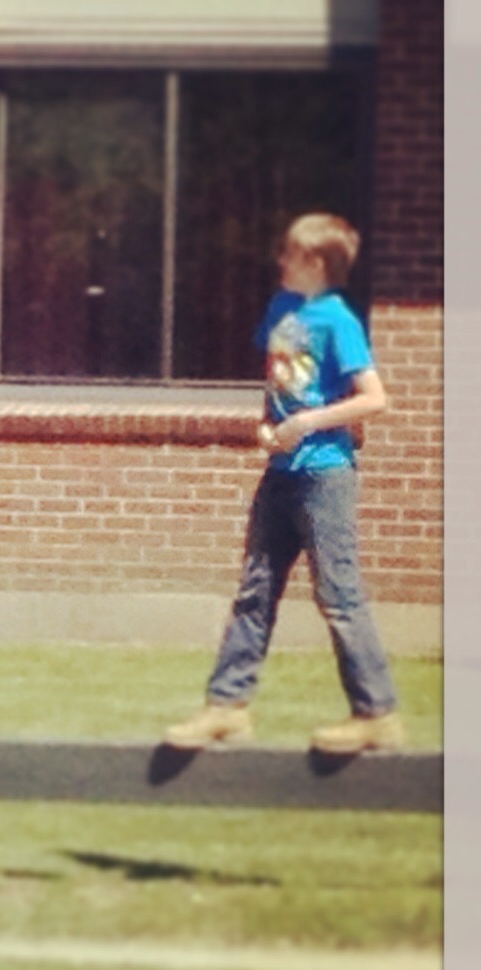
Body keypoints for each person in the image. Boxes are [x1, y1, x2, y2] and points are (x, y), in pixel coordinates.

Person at [165, 213, 403, 754]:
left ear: (314, 263)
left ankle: (377, 714)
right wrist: (266, 425)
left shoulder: (338, 320)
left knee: (339, 597)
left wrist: (307, 424)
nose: (280, 261)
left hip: (325, 477)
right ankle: (227, 708)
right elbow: (278, 383)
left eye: (289, 254)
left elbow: (374, 399)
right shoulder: (282, 310)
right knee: (255, 591)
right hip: (280, 474)